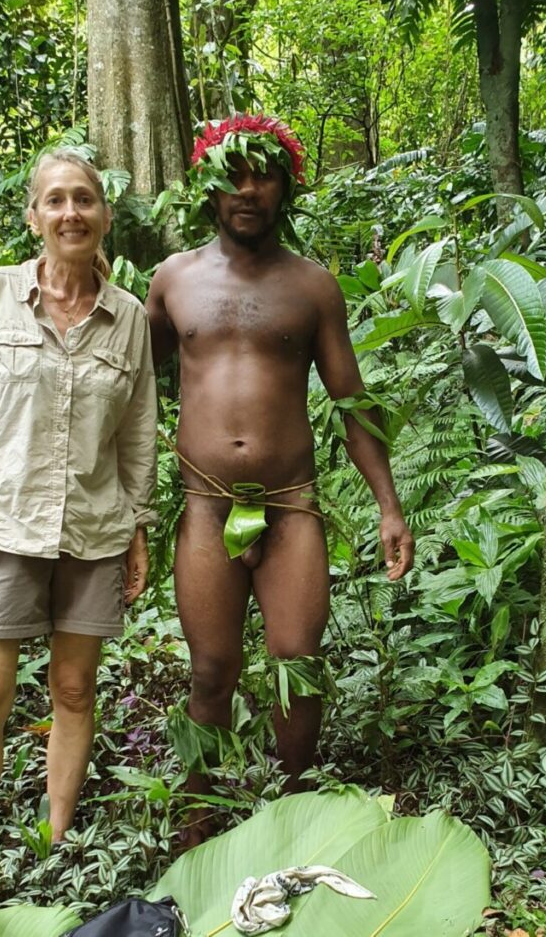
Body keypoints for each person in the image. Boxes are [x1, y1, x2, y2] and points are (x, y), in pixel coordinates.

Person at [146, 114, 414, 845]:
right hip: (205, 506)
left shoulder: (312, 287)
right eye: (233, 175)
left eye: (264, 176)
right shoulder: (172, 281)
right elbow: (124, 372)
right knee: (211, 670)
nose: (248, 190)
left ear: (286, 187)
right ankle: (197, 822)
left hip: (292, 507)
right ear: (208, 186)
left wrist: (389, 505)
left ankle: (294, 809)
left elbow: (352, 402)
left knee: (298, 660)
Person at [0, 149, 157, 860]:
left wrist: (138, 527)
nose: (70, 212)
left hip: (94, 530)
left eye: (83, 198)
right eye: (55, 200)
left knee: (75, 688)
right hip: (5, 523)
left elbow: (137, 432)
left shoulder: (129, 317)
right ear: (34, 217)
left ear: (105, 215)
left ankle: (55, 844)